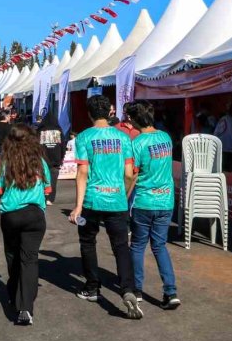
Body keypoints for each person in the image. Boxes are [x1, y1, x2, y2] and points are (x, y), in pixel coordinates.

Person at [68, 95, 141, 319]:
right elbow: (130, 174)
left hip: (91, 201)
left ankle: (92, 287)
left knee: (88, 242)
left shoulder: (84, 137)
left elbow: (82, 173)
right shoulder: (124, 138)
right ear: (110, 112)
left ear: (89, 114)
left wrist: (77, 207)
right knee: (120, 246)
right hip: (117, 200)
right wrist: (124, 194)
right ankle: (128, 289)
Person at [0, 125, 52, 325]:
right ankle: (26, 307)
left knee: (12, 256)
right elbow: (47, 190)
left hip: (11, 214)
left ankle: (13, 293)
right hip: (35, 215)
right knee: (30, 259)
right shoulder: (40, 162)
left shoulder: (4, 162)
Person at [125, 100, 180, 310]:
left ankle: (137, 290)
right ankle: (171, 291)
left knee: (138, 245)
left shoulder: (137, 144)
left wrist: (123, 199)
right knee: (159, 246)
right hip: (166, 201)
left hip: (144, 202)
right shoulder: (165, 138)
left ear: (134, 119)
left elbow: (133, 176)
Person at [36, 112, 64, 205]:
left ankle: (42, 197)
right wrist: (61, 157)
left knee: (41, 178)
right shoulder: (59, 131)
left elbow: (35, 145)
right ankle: (50, 199)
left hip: (42, 159)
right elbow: (63, 146)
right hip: (56, 160)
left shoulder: (40, 131)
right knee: (53, 180)